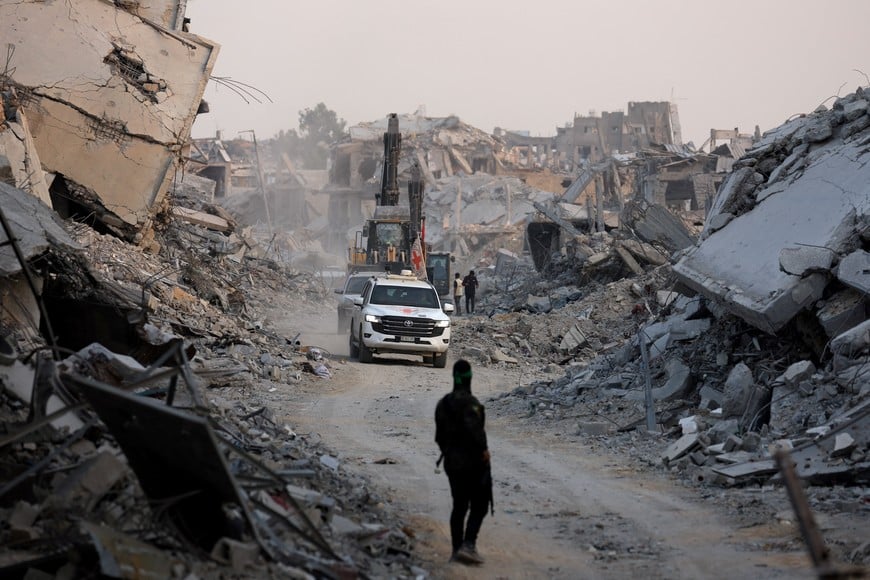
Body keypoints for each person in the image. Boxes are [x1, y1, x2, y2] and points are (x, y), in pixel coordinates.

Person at [435, 360, 492, 565]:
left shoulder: (443, 404)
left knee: (459, 506)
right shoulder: (473, 404)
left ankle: (456, 550)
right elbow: (477, 434)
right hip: (474, 464)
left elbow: (439, 437)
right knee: (479, 505)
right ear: (470, 378)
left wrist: (449, 454)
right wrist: (484, 453)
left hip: (452, 463)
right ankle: (469, 545)